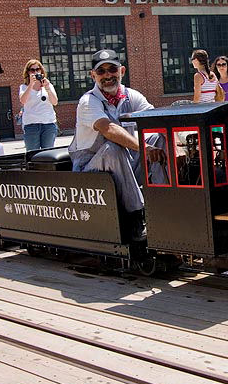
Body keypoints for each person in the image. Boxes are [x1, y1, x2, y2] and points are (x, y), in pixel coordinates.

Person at [68, 49, 166, 241]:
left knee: (158, 139)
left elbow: (155, 119)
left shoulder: (132, 96)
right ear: (93, 75)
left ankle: (162, 203)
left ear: (122, 71)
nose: (107, 75)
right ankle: (136, 218)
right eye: (101, 71)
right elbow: (108, 129)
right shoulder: (88, 101)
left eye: (112, 69)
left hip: (124, 162)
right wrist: (145, 149)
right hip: (90, 169)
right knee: (113, 148)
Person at [19, 59, 59, 151]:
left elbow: (55, 102)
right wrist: (31, 85)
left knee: (48, 154)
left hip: (48, 124)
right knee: (33, 154)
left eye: (38, 69)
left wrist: (47, 87)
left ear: (41, 70)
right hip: (31, 125)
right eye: (32, 70)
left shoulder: (48, 85)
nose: (35, 72)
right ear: (28, 72)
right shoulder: (24, 87)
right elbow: (23, 101)